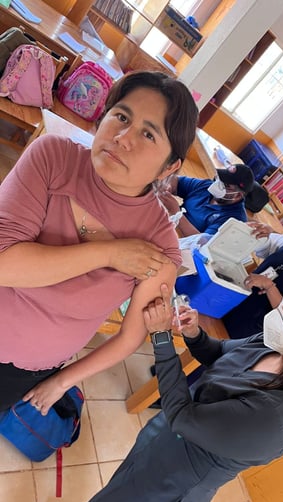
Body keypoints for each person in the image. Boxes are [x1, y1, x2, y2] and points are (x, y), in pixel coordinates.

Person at [38, 272, 283, 502]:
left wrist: (161, 339)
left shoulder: (277, 418)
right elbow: (221, 353)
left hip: (169, 484)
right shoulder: (277, 345)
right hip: (161, 444)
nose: (278, 311)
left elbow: (185, 416)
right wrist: (194, 334)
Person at [0, 70, 198, 415]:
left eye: (148, 134)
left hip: (20, 369)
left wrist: (61, 382)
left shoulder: (160, 248)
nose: (123, 138)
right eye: (121, 116)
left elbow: (129, 337)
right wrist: (109, 253)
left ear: (170, 167)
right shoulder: (53, 156)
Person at [156, 163, 257, 236]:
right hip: (166, 225)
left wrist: (176, 213)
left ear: (238, 195)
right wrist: (168, 185)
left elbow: (201, 243)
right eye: (219, 179)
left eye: (226, 185)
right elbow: (176, 180)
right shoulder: (206, 186)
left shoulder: (234, 220)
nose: (217, 185)